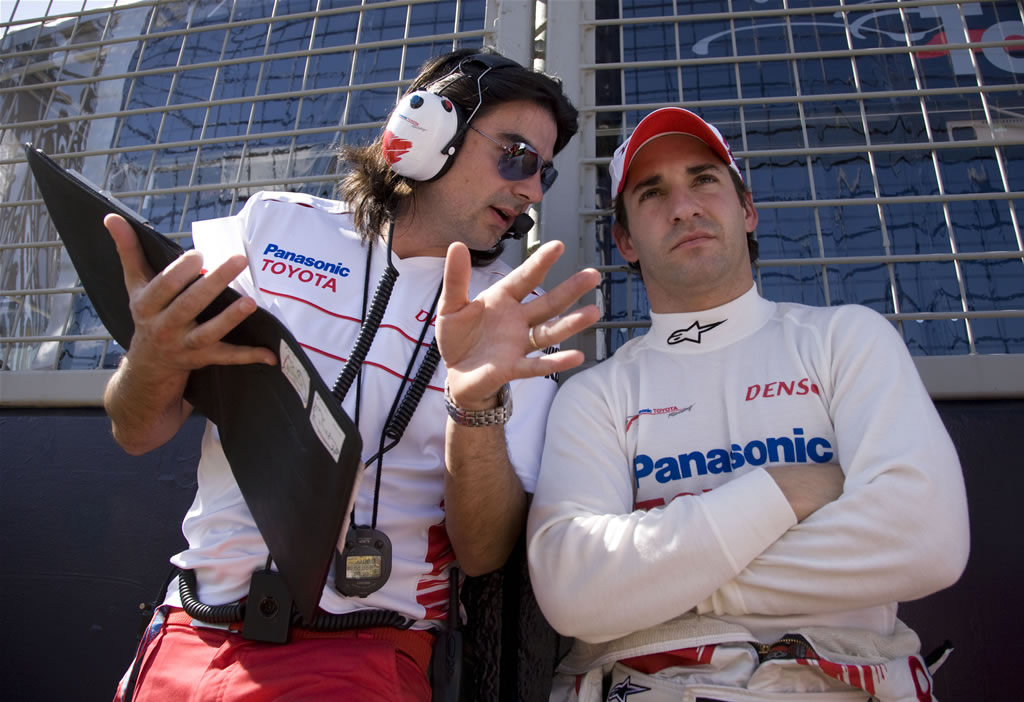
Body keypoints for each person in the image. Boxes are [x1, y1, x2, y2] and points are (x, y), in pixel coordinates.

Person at [104, 47, 600, 701]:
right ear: (428, 132)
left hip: (360, 650)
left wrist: (476, 402)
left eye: (546, 176)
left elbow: (482, 553)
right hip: (186, 627)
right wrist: (151, 359)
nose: (532, 190)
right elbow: (137, 431)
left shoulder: (511, 320)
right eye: (516, 158)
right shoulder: (270, 227)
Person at [526, 107, 970, 702]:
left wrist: (660, 582)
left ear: (748, 209)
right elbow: (573, 591)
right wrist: (785, 491)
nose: (684, 207)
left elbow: (927, 541)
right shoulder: (594, 395)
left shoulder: (846, 339)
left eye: (704, 179)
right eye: (653, 193)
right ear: (625, 241)